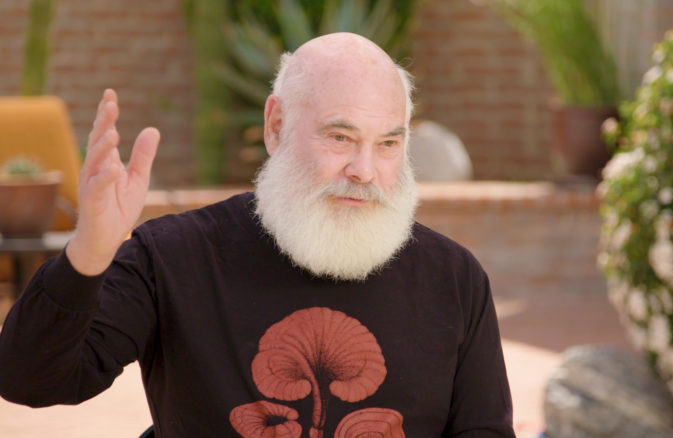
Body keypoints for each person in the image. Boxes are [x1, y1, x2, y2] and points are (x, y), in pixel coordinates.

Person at [0, 33, 514, 437]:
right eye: (340, 137)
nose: (364, 169)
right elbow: (29, 381)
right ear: (275, 126)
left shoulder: (454, 278)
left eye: (387, 143)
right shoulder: (174, 258)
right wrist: (89, 252)